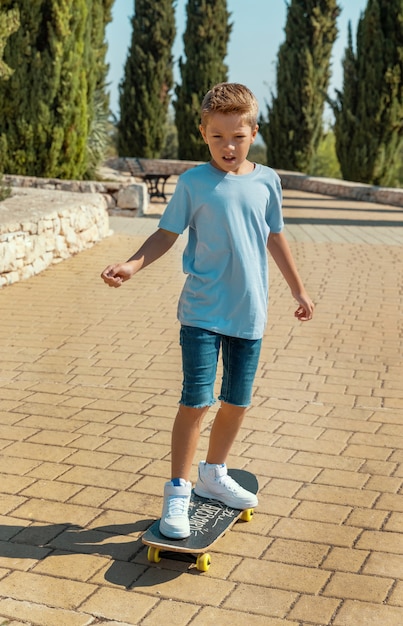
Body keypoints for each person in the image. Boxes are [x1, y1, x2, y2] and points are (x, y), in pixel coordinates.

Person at [101, 82, 314, 539]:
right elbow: (166, 233)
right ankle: (178, 490)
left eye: (237, 136)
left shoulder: (268, 181)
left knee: (237, 402)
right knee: (196, 402)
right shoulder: (194, 182)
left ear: (253, 131)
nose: (228, 146)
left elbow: (275, 236)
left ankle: (213, 474)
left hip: (250, 314)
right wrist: (132, 265)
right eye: (217, 137)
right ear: (203, 134)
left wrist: (298, 290)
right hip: (200, 313)